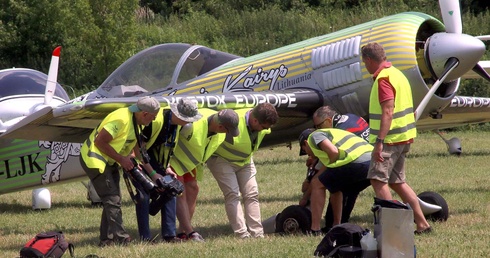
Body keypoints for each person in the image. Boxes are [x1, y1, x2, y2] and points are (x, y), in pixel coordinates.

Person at [361, 42, 431, 234]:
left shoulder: (383, 79)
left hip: (389, 140)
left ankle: (396, 228)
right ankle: (422, 223)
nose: (365, 67)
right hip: (404, 137)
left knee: (377, 181)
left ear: (368, 60)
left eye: (364, 62)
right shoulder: (398, 74)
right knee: (397, 182)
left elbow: (388, 111)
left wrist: (379, 142)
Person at [79, 96, 160, 247]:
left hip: (109, 160)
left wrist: (143, 167)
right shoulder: (121, 119)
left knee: (112, 199)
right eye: (153, 117)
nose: (153, 120)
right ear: (144, 114)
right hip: (95, 159)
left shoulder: (137, 122)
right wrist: (122, 159)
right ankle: (122, 239)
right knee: (112, 198)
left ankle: (107, 240)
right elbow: (99, 142)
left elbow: (133, 145)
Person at [133, 98, 203, 243]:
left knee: (171, 190)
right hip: (140, 162)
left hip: (158, 164)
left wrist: (168, 167)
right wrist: (152, 173)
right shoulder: (155, 121)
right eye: (187, 118)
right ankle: (145, 238)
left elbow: (167, 148)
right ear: (178, 115)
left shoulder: (176, 125)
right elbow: (139, 148)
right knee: (143, 197)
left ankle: (170, 236)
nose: (190, 122)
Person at [207, 103, 279, 239]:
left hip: (245, 161)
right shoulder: (234, 120)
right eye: (263, 127)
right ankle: (242, 234)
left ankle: (257, 233)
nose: (265, 130)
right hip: (221, 160)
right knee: (232, 194)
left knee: (252, 194)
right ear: (254, 120)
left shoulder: (261, 124)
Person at [169, 108, 240, 241]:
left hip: (190, 164)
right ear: (219, 126)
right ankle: (190, 232)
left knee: (193, 189)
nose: (227, 134)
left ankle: (182, 230)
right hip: (173, 160)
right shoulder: (191, 124)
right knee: (180, 192)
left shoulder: (218, 130)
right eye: (227, 130)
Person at [299, 106, 370, 231]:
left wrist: (305, 197)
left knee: (336, 186)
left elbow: (333, 155)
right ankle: (337, 224)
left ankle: (329, 226)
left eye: (318, 126)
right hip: (374, 157)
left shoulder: (330, 133)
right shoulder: (350, 117)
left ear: (327, 121)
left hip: (359, 161)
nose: (317, 130)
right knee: (333, 184)